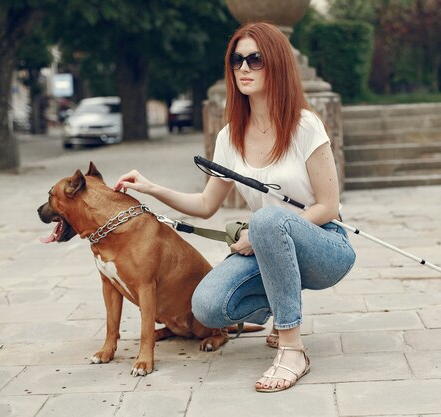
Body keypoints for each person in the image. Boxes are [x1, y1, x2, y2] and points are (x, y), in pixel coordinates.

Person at [114, 22, 356, 393]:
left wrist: (263, 234)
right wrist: (150, 188)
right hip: (268, 242)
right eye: (236, 60)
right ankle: (281, 299)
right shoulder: (230, 136)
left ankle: (292, 348)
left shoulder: (305, 125)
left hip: (326, 246)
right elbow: (206, 205)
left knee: (267, 219)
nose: (243, 68)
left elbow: (328, 205)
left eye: (255, 59)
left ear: (276, 64)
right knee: (207, 306)